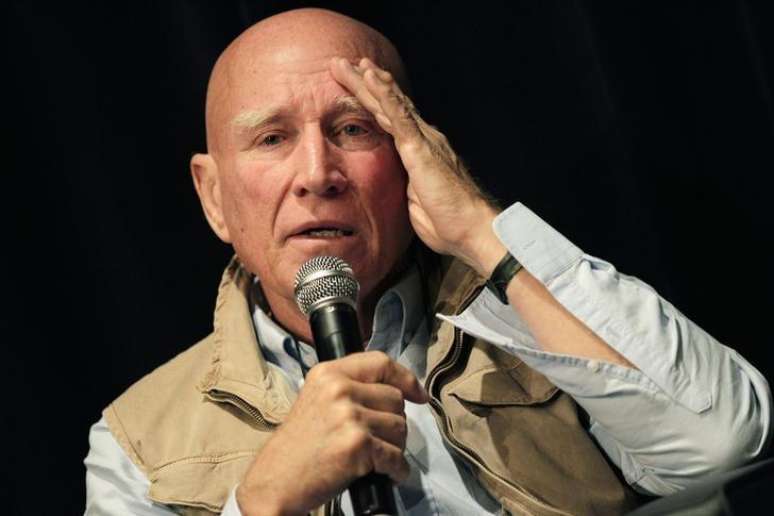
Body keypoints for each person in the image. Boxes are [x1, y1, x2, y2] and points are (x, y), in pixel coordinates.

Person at [85, 7, 772, 516]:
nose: (317, 172)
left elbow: (724, 441)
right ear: (213, 197)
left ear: (413, 154)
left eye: (353, 128)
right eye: (272, 138)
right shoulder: (136, 443)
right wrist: (262, 502)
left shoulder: (541, 327)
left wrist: (480, 226)